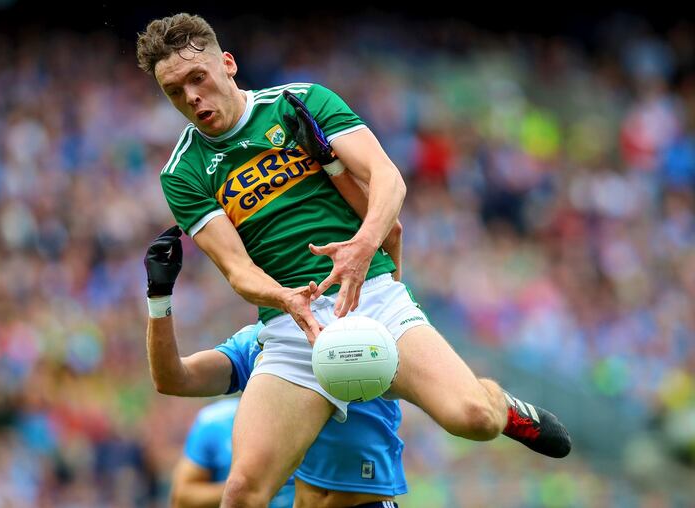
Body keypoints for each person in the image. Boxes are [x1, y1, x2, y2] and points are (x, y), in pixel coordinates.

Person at [136, 13, 571, 507]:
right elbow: (237, 269)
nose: (192, 97)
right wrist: (285, 298)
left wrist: (363, 246)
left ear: (228, 64)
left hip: (373, 297)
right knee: (241, 494)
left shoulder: (300, 101)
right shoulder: (183, 171)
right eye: (175, 91)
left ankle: (501, 404)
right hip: (293, 326)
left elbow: (387, 177)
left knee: (473, 419)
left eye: (198, 78)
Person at [147, 227, 407, 507]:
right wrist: (159, 297)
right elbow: (173, 379)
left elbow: (393, 236)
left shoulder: (369, 331)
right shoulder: (263, 343)